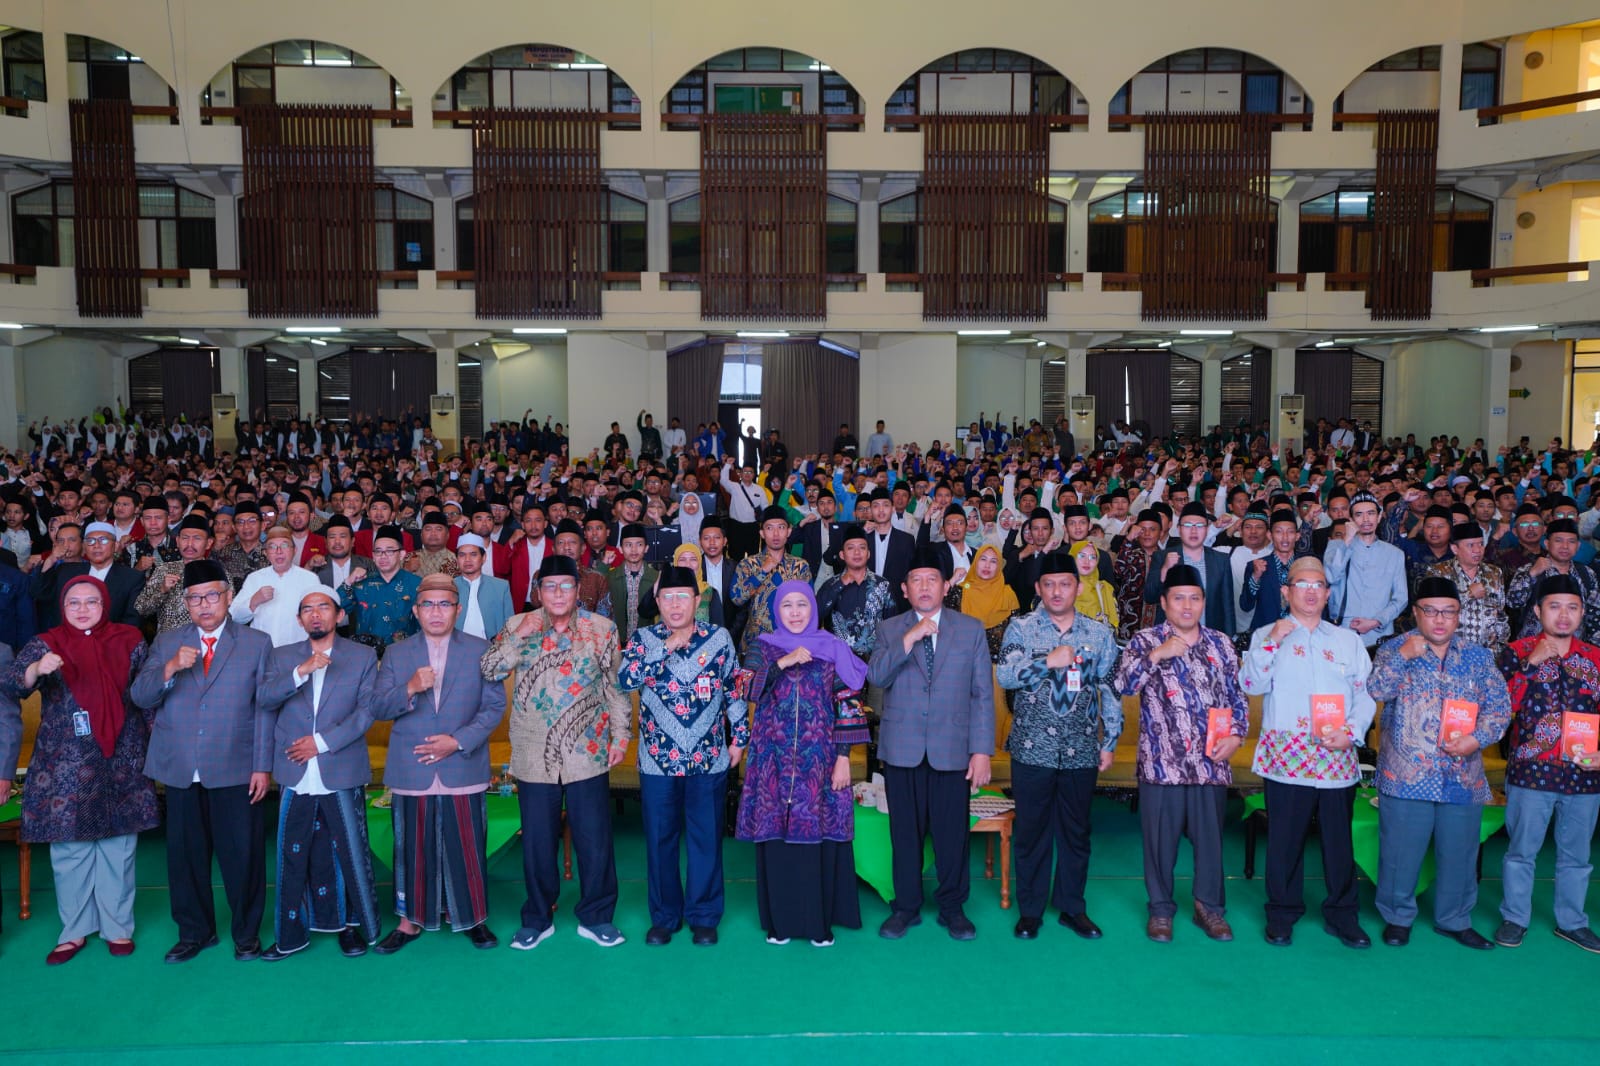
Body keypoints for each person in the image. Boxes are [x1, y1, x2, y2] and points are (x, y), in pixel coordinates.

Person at [130, 559, 277, 965]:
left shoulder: (256, 643)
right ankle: (195, 933)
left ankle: (246, 935)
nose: (204, 605)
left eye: (212, 595)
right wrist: (172, 667)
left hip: (235, 766)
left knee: (243, 856)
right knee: (185, 857)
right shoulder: (167, 642)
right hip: (180, 766)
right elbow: (141, 696)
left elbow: (265, 709)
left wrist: (262, 765)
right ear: (186, 603)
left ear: (229, 598)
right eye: (194, 598)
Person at [0, 576, 153, 964]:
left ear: (105, 604)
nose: (83, 609)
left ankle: (117, 927)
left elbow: (147, 697)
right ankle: (74, 932)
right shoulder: (47, 642)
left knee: (118, 847)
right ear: (62, 608)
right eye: (73, 603)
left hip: (121, 757)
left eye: (91, 602)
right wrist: (37, 667)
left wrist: (156, 751)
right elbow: (12, 683)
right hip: (65, 763)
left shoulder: (131, 640)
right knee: (69, 849)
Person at [482, 557, 630, 951]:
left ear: (578, 590)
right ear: (538, 591)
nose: (559, 594)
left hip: (588, 751)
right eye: (550, 586)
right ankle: (538, 917)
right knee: (537, 841)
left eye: (566, 586)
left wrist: (621, 735)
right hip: (534, 755)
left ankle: (597, 916)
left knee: (595, 840)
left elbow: (614, 688)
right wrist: (518, 637)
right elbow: (489, 669)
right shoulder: (519, 625)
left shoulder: (602, 630)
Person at [1366, 577, 1511, 950]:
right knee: (1400, 851)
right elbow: (1377, 691)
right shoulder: (1396, 647)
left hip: (1462, 775)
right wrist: (1404, 656)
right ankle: (1398, 917)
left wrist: (1475, 740)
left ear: (1459, 615)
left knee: (1460, 852)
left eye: (1449, 612)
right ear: (1416, 613)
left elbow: (1499, 709)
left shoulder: (1477, 656)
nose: (1441, 620)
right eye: (1431, 611)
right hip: (1406, 775)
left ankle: (1454, 919)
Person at [1240, 555, 1377, 949]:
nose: (1312, 591)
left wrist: (1351, 732)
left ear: (1328, 593)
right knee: (1285, 840)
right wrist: (1273, 641)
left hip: (1336, 755)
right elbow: (1250, 682)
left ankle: (1342, 914)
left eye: (1319, 585)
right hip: (1287, 759)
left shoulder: (1348, 640)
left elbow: (1364, 694)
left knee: (1338, 840)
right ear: (1286, 591)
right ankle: (1282, 913)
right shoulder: (1268, 633)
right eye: (1303, 584)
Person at [371, 573, 506, 954]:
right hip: (411, 765)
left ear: (457, 609)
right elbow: (378, 707)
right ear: (415, 611)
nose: (436, 611)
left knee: (467, 845)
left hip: (462, 762)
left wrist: (458, 741)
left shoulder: (482, 649)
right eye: (428, 604)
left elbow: (494, 705)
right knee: (410, 847)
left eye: (444, 604)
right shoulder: (397, 654)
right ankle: (408, 921)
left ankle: (473, 917)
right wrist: (410, 687)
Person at [1114, 564, 1247, 943]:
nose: (1187, 606)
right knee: (1159, 842)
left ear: (1203, 602)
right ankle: (1160, 910)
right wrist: (1159, 654)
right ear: (1164, 602)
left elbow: (1238, 697)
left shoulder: (1221, 643)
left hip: (1210, 762)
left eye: (1194, 598)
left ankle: (1210, 908)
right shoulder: (1144, 640)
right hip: (1162, 764)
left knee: (1210, 841)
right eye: (1178, 598)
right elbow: (1123, 684)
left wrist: (1237, 736)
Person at [868, 546, 995, 941]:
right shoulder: (890, 629)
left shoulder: (970, 629)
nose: (924, 587)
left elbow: (981, 695)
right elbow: (877, 677)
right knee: (904, 833)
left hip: (952, 748)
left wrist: (981, 751)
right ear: (904, 589)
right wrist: (910, 637)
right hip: (902, 747)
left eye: (932, 580)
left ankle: (952, 907)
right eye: (916, 581)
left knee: (951, 834)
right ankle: (905, 906)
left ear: (945, 586)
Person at [618, 565, 748, 946]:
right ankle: (664, 916)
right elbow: (625, 680)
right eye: (667, 598)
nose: (675, 605)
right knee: (660, 839)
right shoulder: (644, 638)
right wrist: (665, 648)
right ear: (657, 602)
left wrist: (739, 738)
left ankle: (705, 915)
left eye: (682, 597)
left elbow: (734, 689)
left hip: (709, 758)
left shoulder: (719, 637)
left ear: (696, 600)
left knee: (706, 838)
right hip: (658, 761)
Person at [736, 580, 870, 946]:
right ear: (777, 611)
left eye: (802, 606)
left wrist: (844, 759)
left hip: (820, 762)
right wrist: (784, 660)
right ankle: (780, 923)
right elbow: (742, 688)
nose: (795, 613)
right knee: (777, 837)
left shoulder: (833, 648)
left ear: (813, 609)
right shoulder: (763, 648)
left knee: (819, 838)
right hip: (772, 762)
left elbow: (848, 704)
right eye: (787, 607)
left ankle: (817, 924)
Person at [997, 554, 1121, 940]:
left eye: (1064, 584)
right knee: (1032, 832)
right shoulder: (1021, 628)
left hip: (1081, 748)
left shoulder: (1099, 634)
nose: (1056, 591)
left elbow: (1109, 689)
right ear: (1037, 589)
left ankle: (1072, 908)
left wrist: (1110, 740)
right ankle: (1030, 911)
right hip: (1031, 749)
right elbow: (1005, 674)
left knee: (1076, 831)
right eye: (1048, 584)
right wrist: (1047, 661)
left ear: (1078, 587)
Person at [255, 588, 382, 962]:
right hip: (294, 770)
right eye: (307, 609)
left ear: (339, 616)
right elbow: (263, 699)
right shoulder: (282, 657)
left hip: (338, 765)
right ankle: (290, 934)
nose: (315, 615)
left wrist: (321, 743)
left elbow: (365, 713)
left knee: (347, 851)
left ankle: (350, 927)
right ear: (298, 620)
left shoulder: (361, 656)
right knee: (294, 853)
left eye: (323, 608)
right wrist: (300, 672)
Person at [1493, 574, 1600, 953]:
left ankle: (1572, 922)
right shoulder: (1517, 652)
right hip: (1530, 773)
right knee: (1522, 851)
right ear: (1538, 611)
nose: (1564, 614)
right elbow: (1499, 711)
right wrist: (1530, 666)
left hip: (1584, 776)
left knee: (1577, 856)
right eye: (1554, 606)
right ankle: (1515, 917)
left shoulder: (1595, 658)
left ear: (1582, 611)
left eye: (1572, 607)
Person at [1324, 492, 1408, 653]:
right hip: (1343, 630)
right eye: (1359, 515)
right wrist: (1347, 541)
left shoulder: (1394, 553)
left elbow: (1401, 598)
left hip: (1380, 633)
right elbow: (1331, 576)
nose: (1366, 520)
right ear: (1351, 519)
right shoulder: (1336, 546)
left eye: (1371, 513)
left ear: (1379, 516)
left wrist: (1376, 621)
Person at [730, 506, 812, 656]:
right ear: (762, 533)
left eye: (781, 527)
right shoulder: (748, 564)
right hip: (756, 646)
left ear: (788, 531)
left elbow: (810, 607)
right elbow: (737, 598)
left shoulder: (800, 566)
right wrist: (762, 571)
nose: (775, 534)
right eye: (769, 528)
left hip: (791, 646)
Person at [231, 526, 326, 647]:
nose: (279, 551)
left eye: (285, 545)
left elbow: (319, 618)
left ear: (294, 550)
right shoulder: (255, 578)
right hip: (262, 650)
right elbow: (235, 616)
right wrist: (254, 601)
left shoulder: (310, 579)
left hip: (298, 650)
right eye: (272, 547)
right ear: (265, 553)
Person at [338, 525, 421, 649]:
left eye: (389, 551)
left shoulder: (417, 584)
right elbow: (334, 609)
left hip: (404, 655)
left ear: (402, 554)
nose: (383, 556)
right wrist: (349, 581)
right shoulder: (362, 583)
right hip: (365, 656)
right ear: (373, 555)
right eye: (378, 551)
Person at [1429, 522, 1508, 648]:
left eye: (1481, 544)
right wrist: (1468, 594)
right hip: (1452, 649)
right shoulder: (1439, 572)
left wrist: (1501, 642)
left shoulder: (1494, 572)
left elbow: (1500, 610)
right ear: (1455, 549)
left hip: (1488, 651)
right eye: (1471, 545)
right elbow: (1433, 610)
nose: (1478, 550)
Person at [956, 544, 1019, 661]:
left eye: (993, 561)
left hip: (999, 666)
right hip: (963, 663)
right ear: (975, 562)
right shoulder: (961, 590)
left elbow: (1015, 636)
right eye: (983, 559)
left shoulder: (1007, 594)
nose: (987, 565)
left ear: (999, 566)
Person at [453, 533, 514, 639]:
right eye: (462, 555)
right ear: (457, 560)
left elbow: (510, 625)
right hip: (455, 648)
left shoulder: (501, 587)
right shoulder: (448, 587)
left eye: (473, 554)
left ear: (484, 558)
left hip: (492, 649)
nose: (467, 559)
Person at [607, 523, 660, 646]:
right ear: (620, 548)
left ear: (646, 548)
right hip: (615, 643)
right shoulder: (610, 578)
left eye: (639, 544)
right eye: (628, 545)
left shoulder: (657, 578)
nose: (634, 550)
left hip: (648, 643)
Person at [1068, 540, 1118, 630]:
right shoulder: (1059, 588)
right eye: (1081, 556)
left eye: (1092, 557)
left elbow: (1113, 625)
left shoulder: (1105, 589)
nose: (1087, 561)